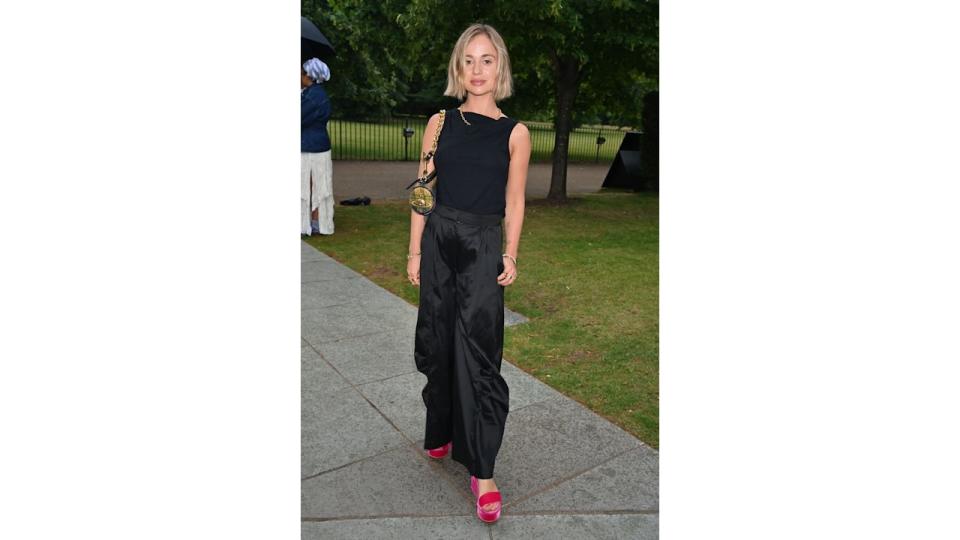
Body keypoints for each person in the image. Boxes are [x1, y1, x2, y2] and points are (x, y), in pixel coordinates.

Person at [407, 23, 531, 524]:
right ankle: (440, 431)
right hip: (438, 240)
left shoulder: (515, 133)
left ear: (499, 66)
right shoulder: (439, 122)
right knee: (437, 341)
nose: (477, 70)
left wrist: (511, 253)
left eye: (487, 60)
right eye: (468, 60)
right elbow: (422, 190)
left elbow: (515, 201)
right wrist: (415, 252)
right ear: (458, 68)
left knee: (479, 352)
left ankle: (483, 471)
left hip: (481, 245)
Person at [301, 58, 334, 235]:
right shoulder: (314, 93)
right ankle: (317, 222)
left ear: (309, 76)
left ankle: (313, 223)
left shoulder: (313, 96)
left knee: (309, 186)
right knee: (316, 186)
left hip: (310, 147)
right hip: (316, 145)